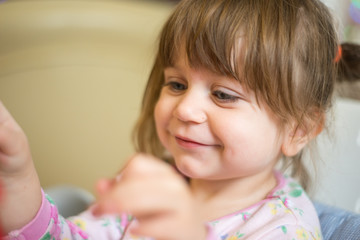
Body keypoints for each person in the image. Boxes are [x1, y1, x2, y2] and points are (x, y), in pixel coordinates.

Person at [0, 0, 347, 239]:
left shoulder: (285, 227)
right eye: (176, 84)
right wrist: (19, 177)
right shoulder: (150, 185)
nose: (184, 109)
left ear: (298, 129)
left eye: (223, 94)